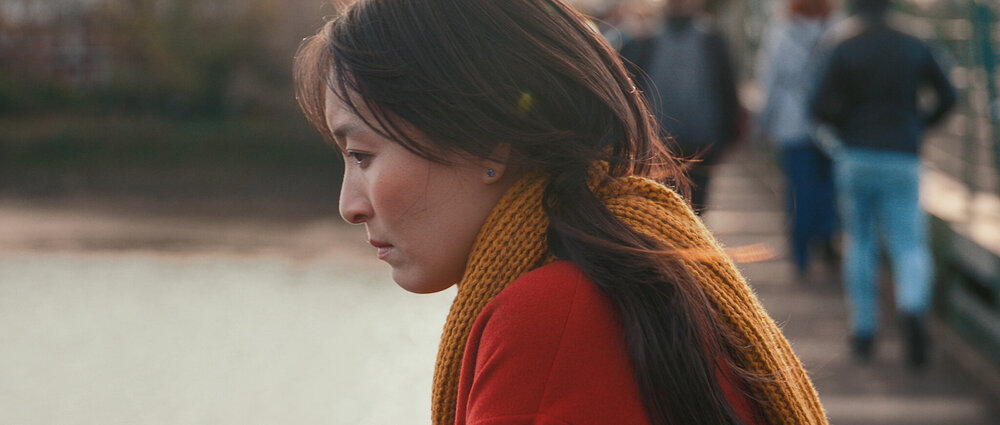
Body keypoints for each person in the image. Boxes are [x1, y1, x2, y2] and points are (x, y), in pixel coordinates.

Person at [295, 0, 827, 423]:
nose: (349, 206)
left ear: (486, 144)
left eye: (361, 155)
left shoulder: (553, 319)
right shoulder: (623, 264)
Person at [810, 0, 955, 368]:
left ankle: (864, 330)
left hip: (856, 154)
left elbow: (816, 104)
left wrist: (847, 124)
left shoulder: (842, 44)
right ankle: (913, 306)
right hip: (902, 154)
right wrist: (918, 125)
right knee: (909, 242)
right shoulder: (915, 42)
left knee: (859, 241)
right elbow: (949, 95)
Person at [619, 0, 742, 214]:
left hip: (701, 144)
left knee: (696, 209)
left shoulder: (712, 41)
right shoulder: (646, 41)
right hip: (658, 146)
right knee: (661, 209)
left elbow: (727, 89)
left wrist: (725, 136)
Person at [756, 0, 839, 277]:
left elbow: (770, 80)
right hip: (829, 122)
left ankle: (800, 251)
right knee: (827, 186)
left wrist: (764, 122)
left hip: (791, 120)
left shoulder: (781, 33)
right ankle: (827, 237)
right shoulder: (837, 30)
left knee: (798, 188)